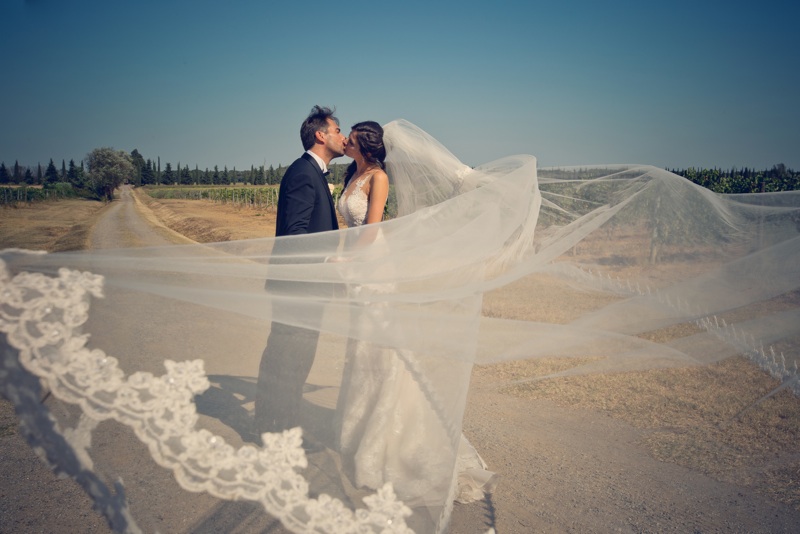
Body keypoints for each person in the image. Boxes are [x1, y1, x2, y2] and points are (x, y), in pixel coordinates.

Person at [334, 121, 497, 513]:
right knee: (363, 351)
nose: (346, 139)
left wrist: (343, 258)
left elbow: (371, 230)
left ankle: (396, 442)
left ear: (364, 143)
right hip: (358, 269)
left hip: (374, 268)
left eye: (351, 135)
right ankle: (363, 434)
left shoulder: (378, 177)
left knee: (382, 351)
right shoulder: (352, 173)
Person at [253, 105, 345, 438]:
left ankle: (273, 427)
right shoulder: (304, 173)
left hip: (303, 288)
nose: (343, 136)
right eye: (337, 130)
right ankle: (279, 432)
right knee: (288, 362)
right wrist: (326, 261)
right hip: (299, 288)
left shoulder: (310, 172)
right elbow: (295, 234)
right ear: (321, 135)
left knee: (289, 361)